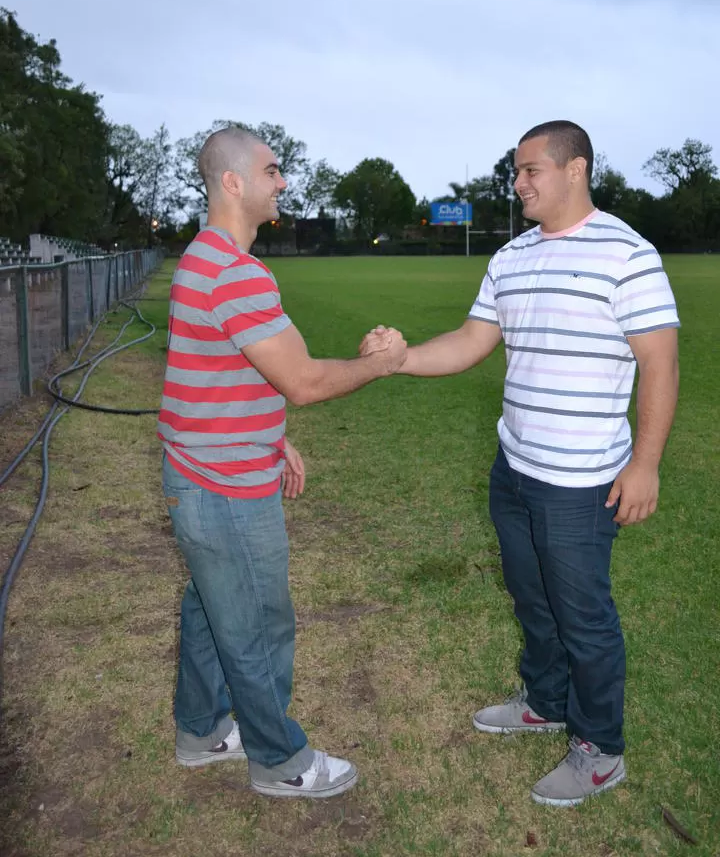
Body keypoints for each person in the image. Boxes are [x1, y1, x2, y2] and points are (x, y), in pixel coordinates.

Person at [361, 120, 679, 807]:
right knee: (533, 599)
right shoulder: (511, 258)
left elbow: (660, 363)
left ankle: (601, 748)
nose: (518, 184)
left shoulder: (628, 255)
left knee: (582, 615)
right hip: (516, 468)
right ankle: (545, 700)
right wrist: (402, 358)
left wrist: (645, 463)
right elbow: (475, 339)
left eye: (531, 170)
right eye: (516, 171)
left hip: (583, 481)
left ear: (576, 170)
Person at [158, 125, 405, 799]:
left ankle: (203, 729)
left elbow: (218, 378)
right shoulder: (235, 273)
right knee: (256, 622)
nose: (283, 182)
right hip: (222, 488)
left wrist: (273, 439)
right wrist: (382, 363)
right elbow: (303, 380)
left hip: (207, 471)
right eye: (272, 171)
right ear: (233, 182)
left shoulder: (203, 259)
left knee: (212, 606)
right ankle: (278, 760)